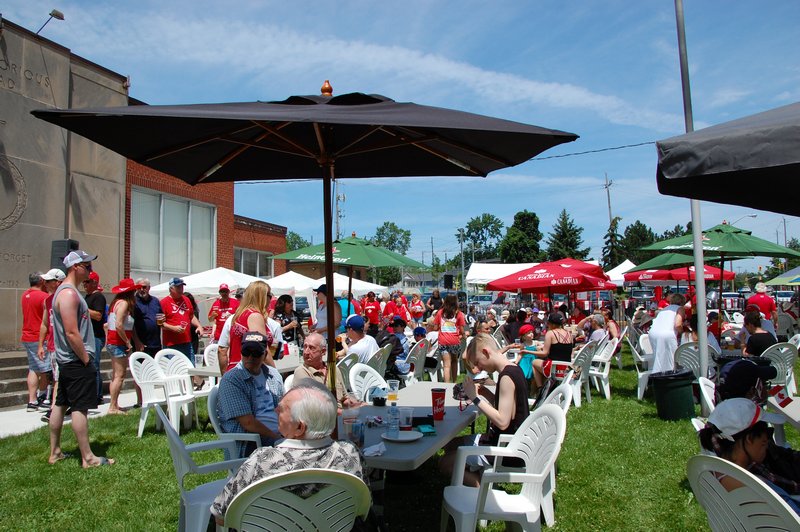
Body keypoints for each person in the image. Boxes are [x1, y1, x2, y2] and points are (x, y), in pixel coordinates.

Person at [210, 379, 366, 525]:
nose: (275, 410)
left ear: (300, 427)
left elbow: (221, 516)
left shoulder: (262, 460)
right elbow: (363, 508)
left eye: (282, 409)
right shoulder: (349, 453)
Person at [439, 332, 529, 487]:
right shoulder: (513, 369)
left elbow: (502, 421)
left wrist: (475, 398)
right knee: (450, 445)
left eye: (478, 362)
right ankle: (473, 472)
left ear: (486, 352)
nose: (478, 368)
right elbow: (510, 411)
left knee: (445, 464)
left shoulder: (506, 377)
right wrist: (486, 393)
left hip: (506, 449)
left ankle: (483, 490)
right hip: (507, 440)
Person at [49, 250, 113, 468]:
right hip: (75, 360)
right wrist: (86, 359)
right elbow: (71, 332)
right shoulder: (68, 294)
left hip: (68, 360)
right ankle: (88, 458)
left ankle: (55, 452)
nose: (90, 270)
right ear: (75, 267)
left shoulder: (68, 292)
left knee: (60, 404)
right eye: (87, 266)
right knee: (80, 407)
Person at [699, 398, 800, 514]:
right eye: (766, 435)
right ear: (749, 439)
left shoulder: (714, 472)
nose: (767, 443)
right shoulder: (759, 487)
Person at [216, 330, 283, 458]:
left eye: (256, 353)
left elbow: (284, 409)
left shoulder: (273, 375)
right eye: (246, 352)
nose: (250, 357)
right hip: (250, 443)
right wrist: (277, 438)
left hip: (279, 434)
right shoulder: (232, 380)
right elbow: (248, 423)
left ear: (265, 354)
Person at [105, 278, 141, 415]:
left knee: (115, 376)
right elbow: (119, 324)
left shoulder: (116, 303)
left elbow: (107, 325)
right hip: (118, 343)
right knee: (119, 376)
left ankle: (114, 404)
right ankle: (112, 407)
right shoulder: (124, 304)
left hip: (113, 342)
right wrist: (127, 342)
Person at [222, 280, 274, 372]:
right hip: (248, 371)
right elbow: (261, 348)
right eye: (270, 295)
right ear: (262, 297)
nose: (271, 299)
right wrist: (275, 373)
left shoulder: (240, 314)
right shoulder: (255, 316)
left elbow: (229, 344)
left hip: (236, 369)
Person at [37, 268, 66, 421]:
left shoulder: (67, 298)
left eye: (49, 281)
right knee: (57, 378)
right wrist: (40, 345)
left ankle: (54, 409)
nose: (45, 283)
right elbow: (44, 324)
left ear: (58, 282)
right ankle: (57, 407)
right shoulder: (47, 301)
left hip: (65, 347)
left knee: (59, 379)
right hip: (53, 346)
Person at [294, 332, 352, 408]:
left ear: (323, 352)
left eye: (312, 348)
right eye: (305, 347)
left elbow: (345, 398)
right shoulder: (302, 372)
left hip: (340, 413)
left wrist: (356, 404)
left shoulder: (333, 368)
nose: (306, 352)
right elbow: (313, 406)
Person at [21, 271, 50, 411]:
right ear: (41, 281)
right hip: (39, 338)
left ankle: (32, 401)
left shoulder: (25, 295)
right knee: (45, 369)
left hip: (27, 336)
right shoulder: (44, 297)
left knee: (33, 369)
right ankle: (42, 397)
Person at [159, 278, 202, 362]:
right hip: (171, 344)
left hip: (187, 342)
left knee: (190, 367)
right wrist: (173, 328)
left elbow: (191, 316)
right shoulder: (164, 302)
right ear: (171, 289)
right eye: (178, 287)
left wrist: (199, 326)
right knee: (175, 368)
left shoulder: (186, 300)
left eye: (182, 287)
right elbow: (160, 323)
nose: (181, 289)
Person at [531, 312, 575, 389]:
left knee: (534, 362)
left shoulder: (550, 333)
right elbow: (566, 350)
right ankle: (547, 387)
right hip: (566, 367)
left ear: (551, 324)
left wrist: (528, 351)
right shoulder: (569, 334)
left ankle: (540, 388)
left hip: (554, 368)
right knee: (543, 362)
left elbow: (544, 353)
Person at [83, 271, 108, 404]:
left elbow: (98, 316)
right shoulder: (87, 297)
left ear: (94, 282)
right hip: (88, 337)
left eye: (87, 282)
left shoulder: (98, 297)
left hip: (96, 337)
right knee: (90, 366)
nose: (84, 284)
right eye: (84, 282)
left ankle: (97, 396)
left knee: (94, 366)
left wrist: (82, 308)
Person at [649, 293, 686, 374]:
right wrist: (683, 333)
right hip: (667, 334)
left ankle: (657, 374)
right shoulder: (680, 309)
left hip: (653, 333)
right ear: (682, 302)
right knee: (671, 360)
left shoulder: (665, 309)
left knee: (658, 358)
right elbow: (678, 324)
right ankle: (668, 376)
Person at [435, 294, 467, 383]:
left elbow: (435, 327)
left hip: (443, 341)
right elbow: (461, 329)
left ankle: (446, 384)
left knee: (446, 365)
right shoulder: (458, 313)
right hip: (454, 341)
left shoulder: (440, 312)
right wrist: (464, 335)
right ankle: (454, 382)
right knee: (454, 361)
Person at [132, 278, 162, 358]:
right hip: (141, 344)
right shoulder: (133, 302)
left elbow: (160, 317)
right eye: (139, 287)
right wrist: (137, 341)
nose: (142, 289)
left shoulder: (155, 301)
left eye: (144, 287)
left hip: (156, 344)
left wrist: (162, 320)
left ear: (149, 288)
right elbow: (131, 325)